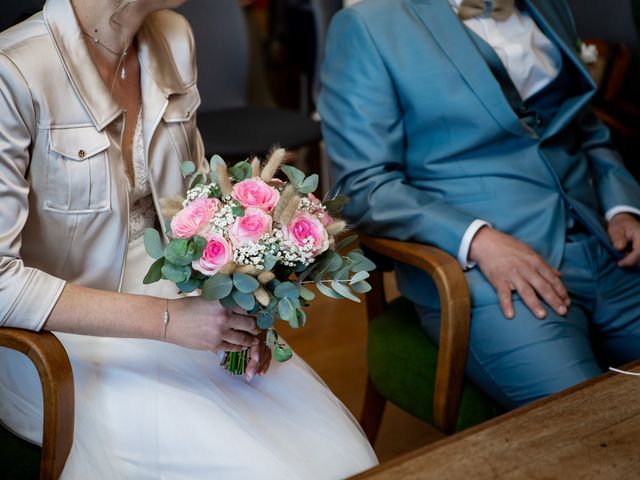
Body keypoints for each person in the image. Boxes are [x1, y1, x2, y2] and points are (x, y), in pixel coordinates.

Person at [0, 0, 377, 477]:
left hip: (184, 301)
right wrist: (169, 321)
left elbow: (198, 200)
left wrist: (239, 300)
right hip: (63, 338)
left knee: (337, 456)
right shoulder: (12, 72)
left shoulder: (175, 36)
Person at [319, 0, 640, 409]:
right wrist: (477, 239)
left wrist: (623, 207)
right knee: (590, 421)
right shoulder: (368, 27)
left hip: (607, 248)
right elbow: (362, 187)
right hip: (490, 277)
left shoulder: (550, 7)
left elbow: (585, 126)